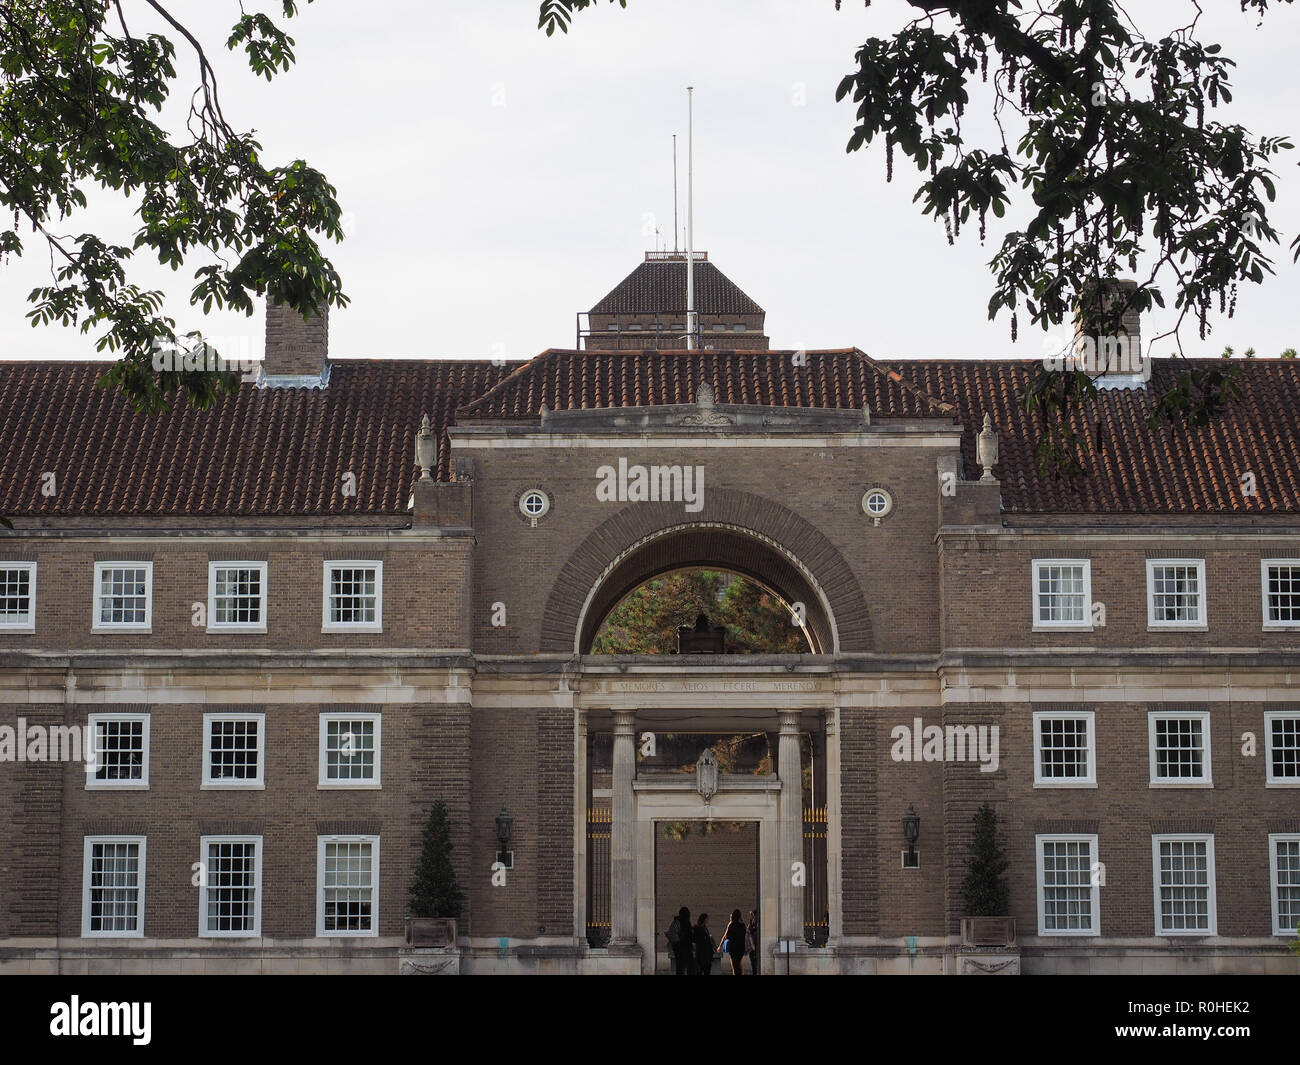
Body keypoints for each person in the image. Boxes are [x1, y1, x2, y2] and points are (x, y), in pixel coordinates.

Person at [667, 906, 695, 975]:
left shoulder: (684, 922)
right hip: (681, 948)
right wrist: (680, 941)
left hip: (685, 947)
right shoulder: (679, 922)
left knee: (686, 966)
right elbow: (672, 934)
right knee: (682, 967)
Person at [719, 908, 746, 976]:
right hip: (741, 948)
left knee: (735, 966)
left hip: (733, 949)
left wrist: (720, 946)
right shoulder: (743, 925)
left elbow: (727, 936)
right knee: (739, 965)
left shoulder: (731, 925)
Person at [745, 910, 759, 976]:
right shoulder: (752, 922)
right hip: (752, 946)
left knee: (755, 963)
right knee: (753, 963)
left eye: (753, 915)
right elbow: (748, 930)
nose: (752, 917)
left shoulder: (757, 923)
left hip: (755, 946)